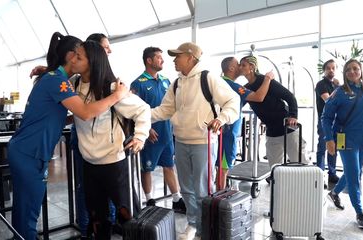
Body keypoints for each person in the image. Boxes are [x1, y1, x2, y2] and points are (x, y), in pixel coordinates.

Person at [7, 32, 128, 240]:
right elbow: (86, 112)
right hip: (30, 154)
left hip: (26, 150)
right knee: (29, 212)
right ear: (72, 56)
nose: (83, 57)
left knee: (23, 208)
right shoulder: (58, 81)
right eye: (80, 54)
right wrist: (117, 95)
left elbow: (57, 117)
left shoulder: (55, 78)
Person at [151, 42, 240, 240]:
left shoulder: (208, 77)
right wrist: (141, 115)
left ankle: (204, 229)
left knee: (202, 190)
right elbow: (165, 109)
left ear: (191, 57)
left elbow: (233, 101)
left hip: (204, 142)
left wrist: (221, 119)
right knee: (186, 189)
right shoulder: (177, 83)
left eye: (178, 56)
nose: (174, 60)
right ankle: (193, 224)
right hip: (181, 141)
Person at [72, 40, 151, 239]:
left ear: (93, 62)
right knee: (97, 217)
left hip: (114, 162)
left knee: (127, 215)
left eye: (79, 57)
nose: (73, 60)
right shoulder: (74, 83)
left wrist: (140, 137)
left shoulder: (113, 88)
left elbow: (143, 109)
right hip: (89, 163)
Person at [322, 59, 363, 229]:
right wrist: (329, 139)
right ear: (344, 73)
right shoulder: (339, 92)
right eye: (348, 69)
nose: (352, 72)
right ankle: (360, 212)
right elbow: (326, 117)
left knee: (354, 172)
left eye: (355, 68)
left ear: (361, 70)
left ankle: (334, 193)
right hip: (345, 139)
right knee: (355, 175)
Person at [130, 47, 186, 213]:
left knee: (169, 166)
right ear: (149, 60)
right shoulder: (138, 84)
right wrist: (146, 130)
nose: (163, 60)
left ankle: (177, 199)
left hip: (167, 135)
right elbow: (133, 111)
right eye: (159, 58)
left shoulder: (166, 81)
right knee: (146, 169)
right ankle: (150, 201)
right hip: (150, 136)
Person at [240, 55, 309, 177]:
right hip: (271, 131)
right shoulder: (246, 88)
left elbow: (289, 96)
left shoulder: (265, 80)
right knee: (275, 169)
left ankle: (308, 192)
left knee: (300, 165)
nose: (240, 67)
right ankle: (280, 192)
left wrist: (293, 115)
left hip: (287, 128)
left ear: (252, 67)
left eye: (243, 65)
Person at [217, 56, 274, 189]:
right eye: (239, 65)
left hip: (225, 132)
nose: (241, 67)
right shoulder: (232, 85)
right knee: (223, 169)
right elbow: (258, 97)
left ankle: (220, 196)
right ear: (231, 68)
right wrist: (267, 79)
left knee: (220, 168)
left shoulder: (221, 83)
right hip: (227, 134)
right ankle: (219, 200)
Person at [315, 59, 340, 187]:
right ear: (324, 70)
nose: (331, 70)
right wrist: (340, 88)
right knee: (322, 147)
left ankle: (332, 173)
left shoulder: (336, 85)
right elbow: (328, 101)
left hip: (337, 122)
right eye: (328, 68)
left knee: (334, 148)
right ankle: (319, 174)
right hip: (324, 121)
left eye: (333, 68)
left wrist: (339, 86)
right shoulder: (321, 84)